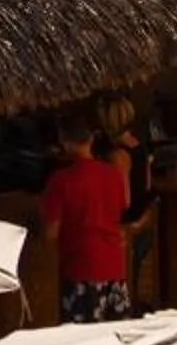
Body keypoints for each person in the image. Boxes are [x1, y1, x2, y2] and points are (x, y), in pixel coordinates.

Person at [40, 118, 134, 323]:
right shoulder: (112, 174)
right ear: (91, 139)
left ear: (65, 143)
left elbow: (51, 233)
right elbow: (121, 209)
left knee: (83, 337)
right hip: (114, 266)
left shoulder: (60, 181)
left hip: (82, 268)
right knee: (117, 333)